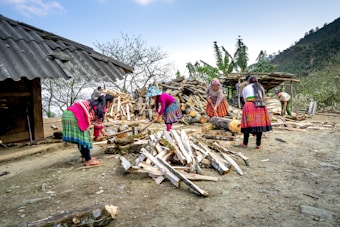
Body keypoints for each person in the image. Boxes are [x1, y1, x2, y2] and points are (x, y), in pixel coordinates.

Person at [62, 94, 114, 166]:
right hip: (75, 116)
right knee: (85, 137)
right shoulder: (102, 108)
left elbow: (99, 123)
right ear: (108, 102)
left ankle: (85, 157)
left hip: (67, 114)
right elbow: (97, 125)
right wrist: (96, 136)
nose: (110, 105)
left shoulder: (94, 103)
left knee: (81, 138)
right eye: (111, 104)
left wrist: (104, 133)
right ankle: (88, 160)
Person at [239, 76, 272, 149]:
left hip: (249, 105)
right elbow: (263, 97)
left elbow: (244, 99)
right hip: (261, 105)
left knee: (247, 124)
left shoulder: (246, 88)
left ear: (248, 81)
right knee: (259, 123)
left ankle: (245, 143)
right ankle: (258, 144)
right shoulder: (261, 87)